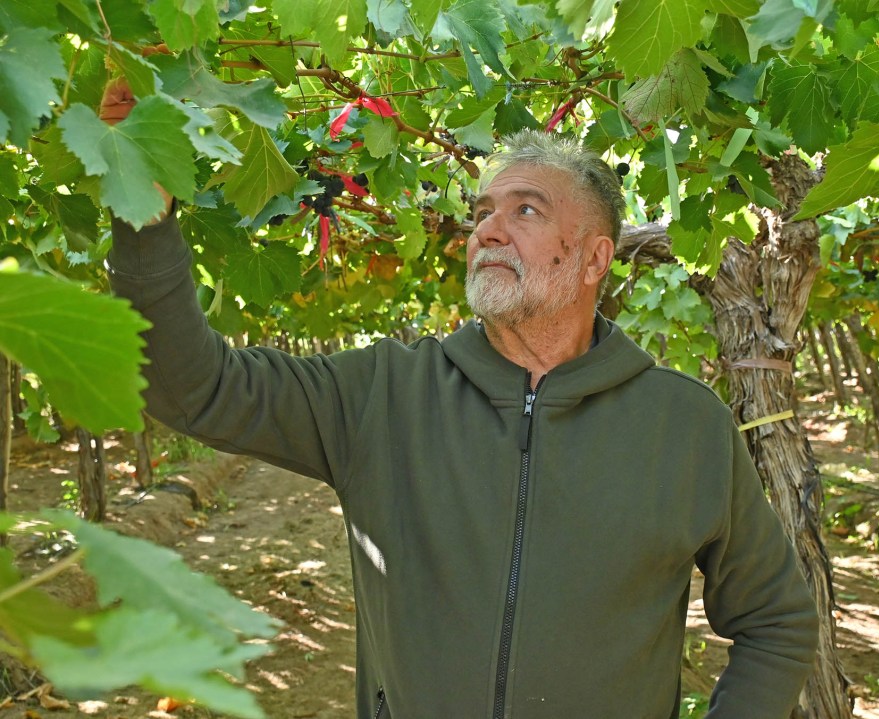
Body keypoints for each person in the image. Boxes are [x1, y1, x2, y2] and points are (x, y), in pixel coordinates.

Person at [104, 83, 818, 717]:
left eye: (526, 210)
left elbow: (775, 619)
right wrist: (145, 213)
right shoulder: (379, 393)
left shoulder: (683, 424)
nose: (487, 230)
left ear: (594, 258)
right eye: (482, 212)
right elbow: (190, 388)